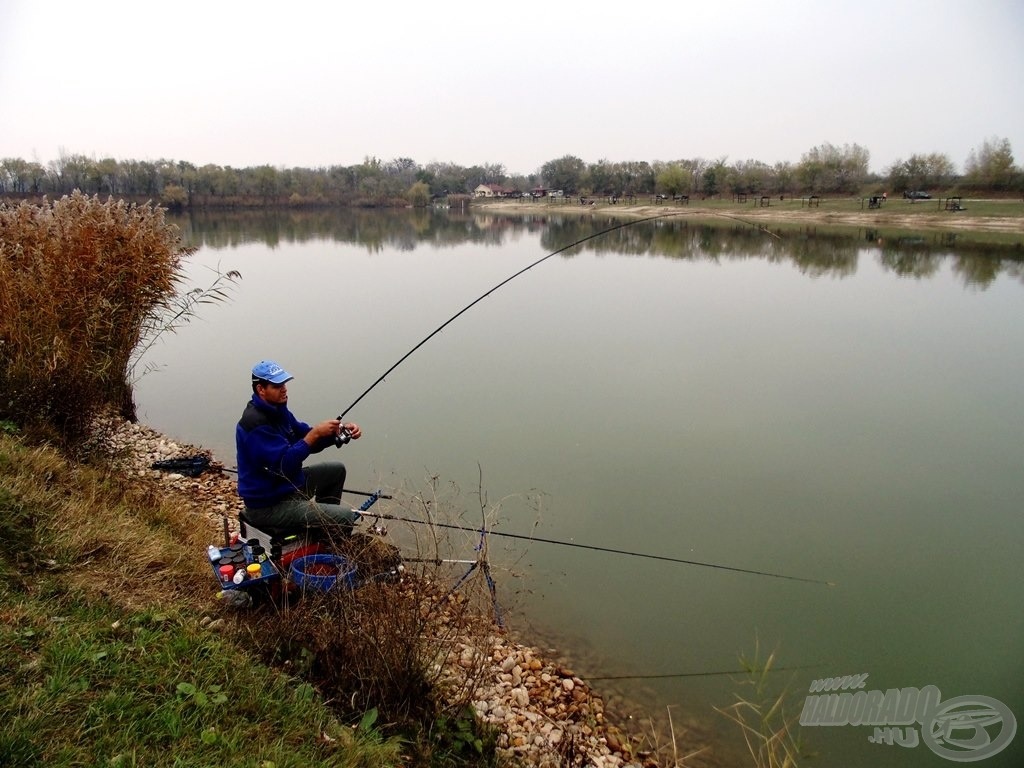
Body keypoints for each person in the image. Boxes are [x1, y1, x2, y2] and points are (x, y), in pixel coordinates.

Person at [236, 359, 363, 532]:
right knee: (345, 516)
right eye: (277, 386)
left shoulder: (278, 411)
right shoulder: (255, 425)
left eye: (284, 383)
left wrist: (337, 432)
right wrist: (315, 433)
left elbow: (306, 438)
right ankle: (330, 546)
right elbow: (284, 466)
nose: (284, 389)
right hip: (268, 505)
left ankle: (323, 533)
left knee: (336, 470)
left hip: (285, 487)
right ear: (261, 390)